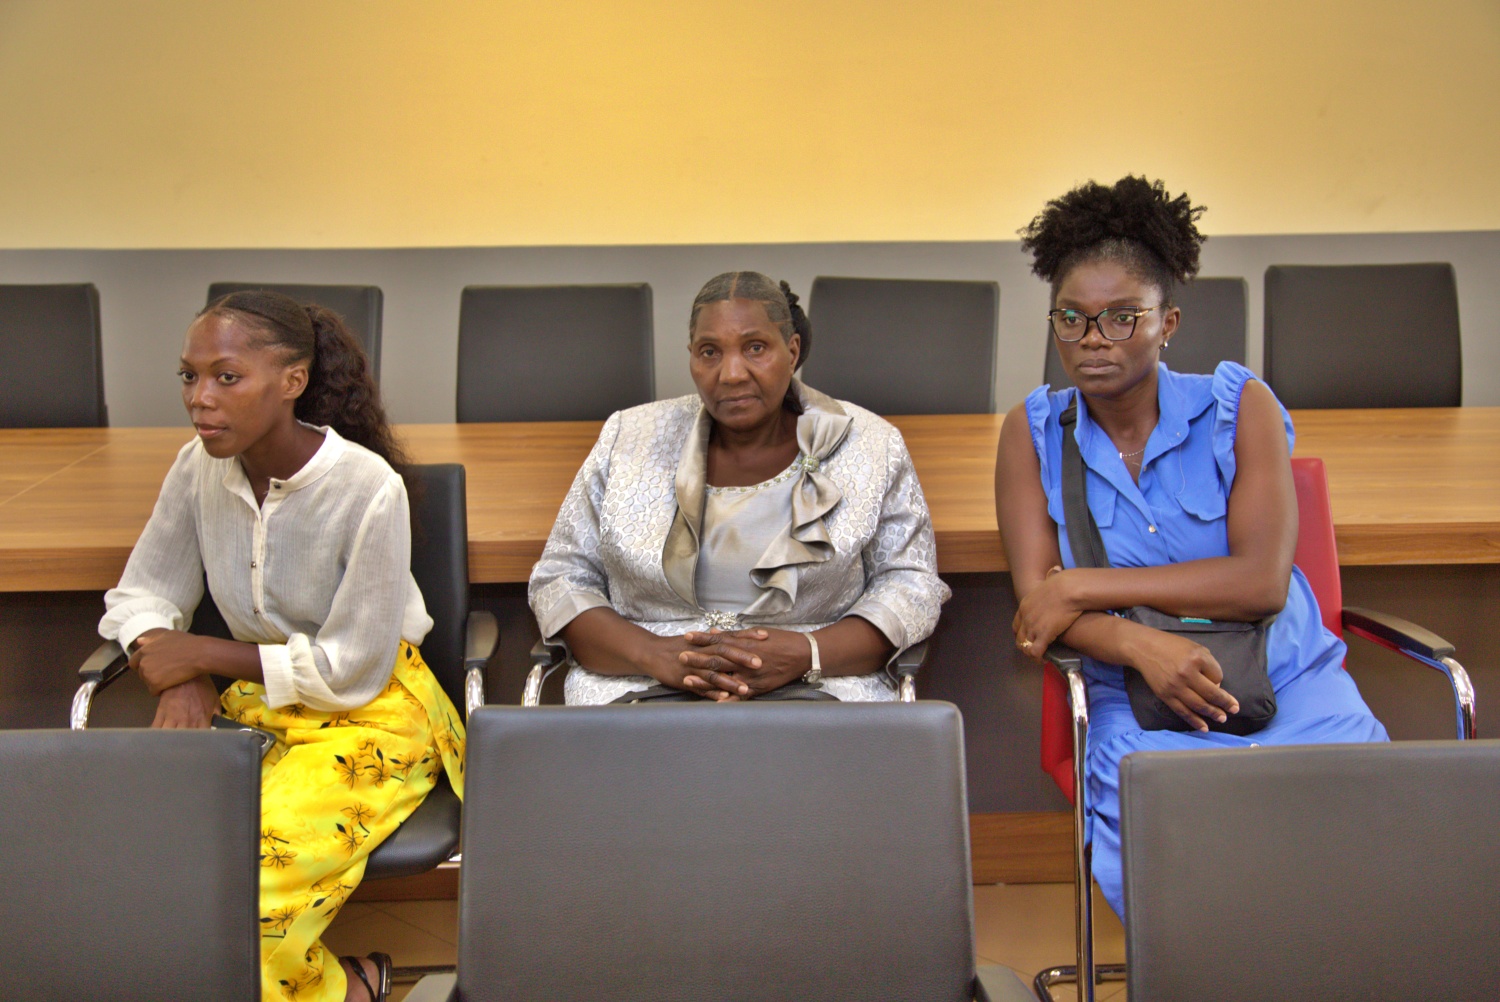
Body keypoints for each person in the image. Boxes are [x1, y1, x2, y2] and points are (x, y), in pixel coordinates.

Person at [994, 177, 1387, 916]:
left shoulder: (1240, 407)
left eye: (1122, 318)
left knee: (1358, 856)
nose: (1092, 340)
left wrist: (1082, 586)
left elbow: (1261, 583)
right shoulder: (1035, 433)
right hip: (1138, 700)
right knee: (1183, 888)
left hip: (1290, 680)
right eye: (1071, 319)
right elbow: (1037, 611)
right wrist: (1138, 645)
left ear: (1167, 322)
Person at [99, 291, 464, 1002]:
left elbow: (350, 668)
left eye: (226, 377)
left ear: (293, 380)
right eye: (189, 376)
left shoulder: (367, 488)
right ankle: (348, 987)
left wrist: (201, 655)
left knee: (240, 895)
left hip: (372, 716)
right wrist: (174, 670)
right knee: (161, 875)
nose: (199, 398)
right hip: (256, 709)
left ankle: (340, 990)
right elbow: (140, 594)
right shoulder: (198, 467)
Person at [529, 271, 950, 704]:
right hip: (637, 689)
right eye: (710, 352)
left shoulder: (872, 444)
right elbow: (562, 576)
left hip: (819, 690)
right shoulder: (627, 437)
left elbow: (910, 583)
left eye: (755, 348)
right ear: (691, 357)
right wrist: (651, 654)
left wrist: (808, 653)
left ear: (792, 351)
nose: (731, 374)